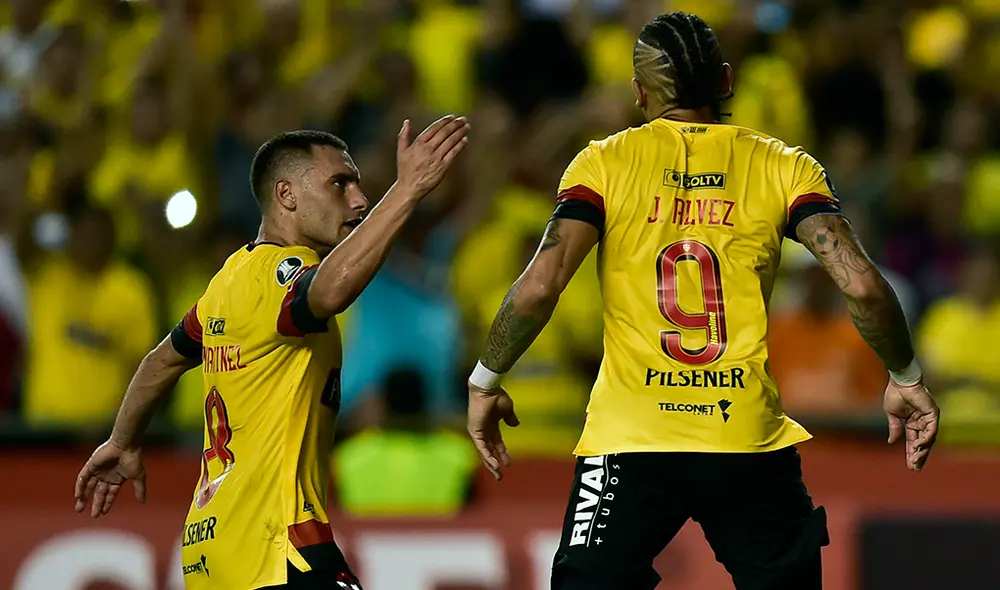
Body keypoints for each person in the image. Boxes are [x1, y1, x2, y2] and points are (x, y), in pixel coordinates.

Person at [465, 12, 939, 590]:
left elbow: (540, 286)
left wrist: (485, 379)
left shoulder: (603, 163)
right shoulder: (784, 166)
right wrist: (905, 375)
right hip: (743, 436)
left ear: (640, 93)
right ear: (725, 80)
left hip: (631, 436)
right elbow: (861, 283)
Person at [73, 117, 470, 589]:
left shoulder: (227, 282)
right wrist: (407, 191)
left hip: (211, 551)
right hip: (280, 543)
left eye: (359, 186)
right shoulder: (281, 270)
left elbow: (160, 362)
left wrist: (122, 442)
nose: (359, 200)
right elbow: (327, 292)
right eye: (340, 184)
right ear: (287, 195)